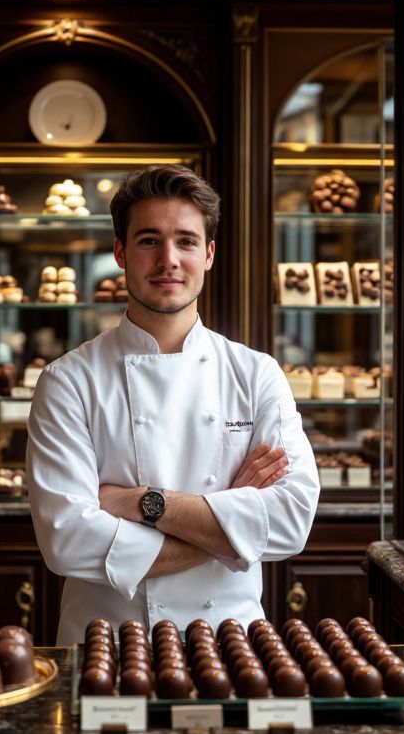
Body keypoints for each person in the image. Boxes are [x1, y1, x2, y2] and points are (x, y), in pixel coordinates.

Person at [27, 165, 319, 645]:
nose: (169, 259)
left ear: (208, 254)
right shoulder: (68, 381)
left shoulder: (256, 373)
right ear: (121, 252)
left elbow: (289, 524)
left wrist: (135, 502)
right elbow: (67, 543)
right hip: (110, 647)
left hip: (232, 647)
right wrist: (231, 520)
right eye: (148, 240)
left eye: (185, 241)